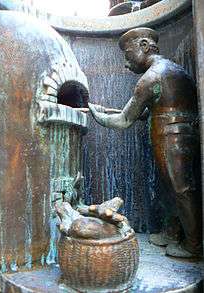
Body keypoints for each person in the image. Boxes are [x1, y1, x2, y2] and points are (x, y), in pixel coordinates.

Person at [88, 27, 202, 258]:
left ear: (142, 45)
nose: (126, 64)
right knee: (171, 188)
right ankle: (172, 233)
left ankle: (194, 245)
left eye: (128, 56)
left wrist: (96, 115)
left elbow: (123, 120)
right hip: (179, 134)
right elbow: (144, 111)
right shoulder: (174, 69)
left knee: (181, 189)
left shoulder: (151, 78)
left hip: (171, 137)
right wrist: (107, 109)